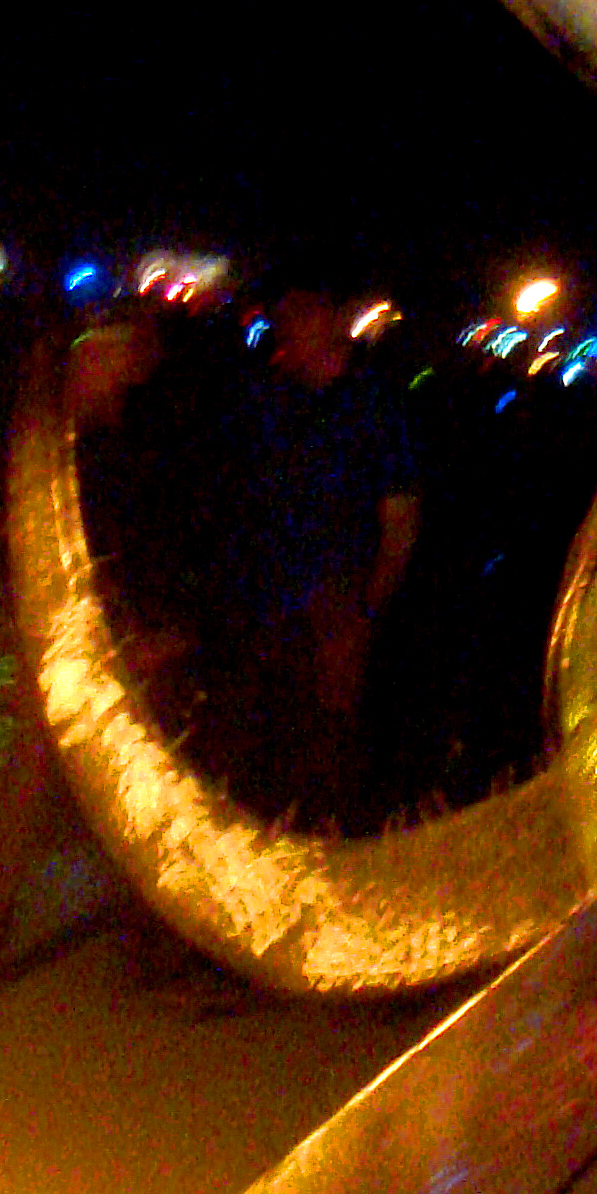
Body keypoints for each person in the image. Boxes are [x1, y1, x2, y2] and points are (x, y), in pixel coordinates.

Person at [207, 280, 420, 830]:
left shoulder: (372, 404)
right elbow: (242, 500)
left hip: (338, 602)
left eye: (308, 322)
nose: (296, 339)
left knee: (334, 743)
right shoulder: (269, 400)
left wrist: (367, 607)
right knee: (276, 744)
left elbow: (400, 516)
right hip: (272, 607)